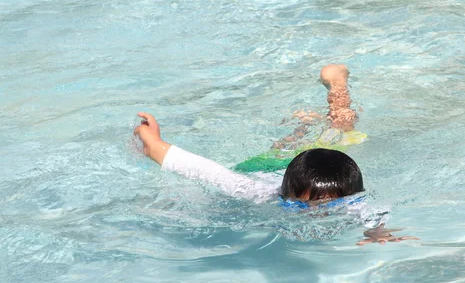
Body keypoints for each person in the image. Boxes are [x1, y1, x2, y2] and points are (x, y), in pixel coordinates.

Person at [134, 64, 418, 244]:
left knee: (337, 131)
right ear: (285, 195)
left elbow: (377, 212)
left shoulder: (349, 201)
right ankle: (320, 104)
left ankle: (326, 99)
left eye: (328, 207)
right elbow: (205, 170)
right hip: (263, 167)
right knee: (323, 133)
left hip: (309, 165)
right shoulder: (255, 191)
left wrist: (376, 231)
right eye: (301, 206)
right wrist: (154, 144)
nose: (316, 215)